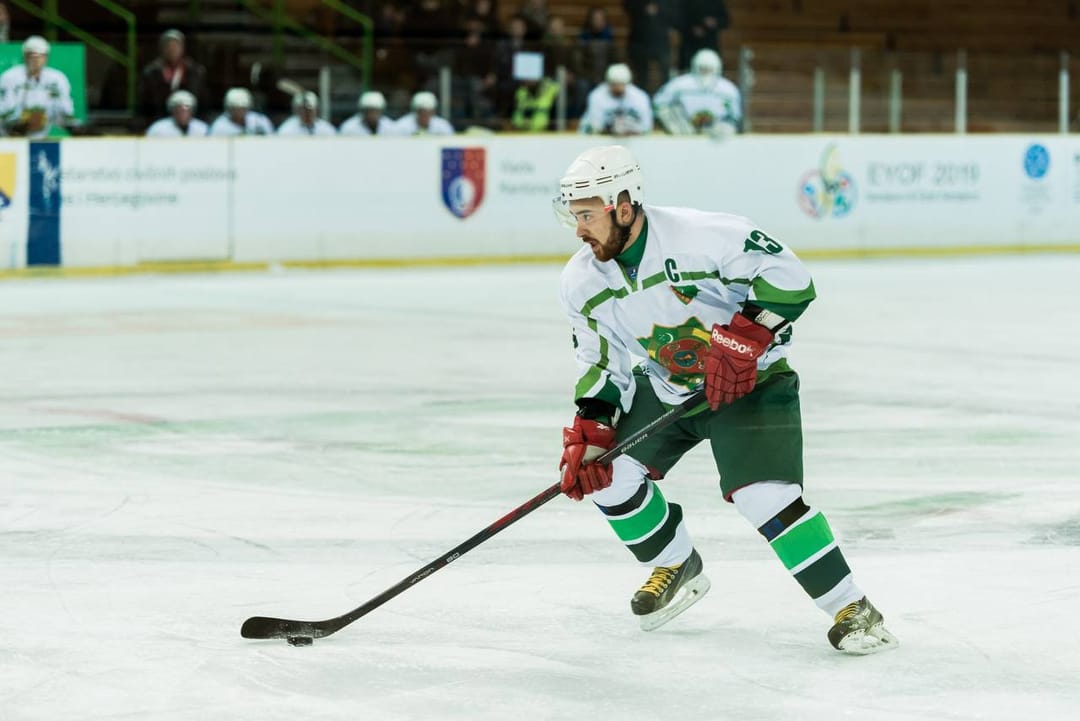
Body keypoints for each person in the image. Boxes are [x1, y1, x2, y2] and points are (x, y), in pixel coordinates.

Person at [552, 144, 898, 654]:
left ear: (623, 206)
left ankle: (853, 607)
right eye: (573, 216)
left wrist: (744, 338)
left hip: (751, 383)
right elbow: (603, 361)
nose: (579, 230)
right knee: (608, 476)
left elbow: (791, 280)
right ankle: (674, 564)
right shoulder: (582, 281)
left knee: (765, 498)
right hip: (668, 388)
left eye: (587, 216)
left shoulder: (703, 237)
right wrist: (594, 425)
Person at [653, 48, 742, 137]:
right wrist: (675, 120)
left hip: (717, 134)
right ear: (695, 67)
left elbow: (735, 115)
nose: (705, 73)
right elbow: (659, 103)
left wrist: (725, 124)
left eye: (709, 69)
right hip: (683, 130)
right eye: (702, 69)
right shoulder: (679, 85)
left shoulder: (728, 89)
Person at [0, 35, 74, 138]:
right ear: (25, 56)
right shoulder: (10, 77)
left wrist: (45, 117)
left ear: (46, 57)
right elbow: (4, 108)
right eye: (32, 56)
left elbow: (66, 110)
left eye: (40, 56)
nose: (36, 61)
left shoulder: (57, 79)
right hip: (11, 136)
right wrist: (23, 118)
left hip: (43, 134)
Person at [136, 29, 208, 132]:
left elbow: (203, 100)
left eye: (175, 45)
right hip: (158, 121)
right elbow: (143, 103)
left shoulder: (195, 71)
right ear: (162, 48)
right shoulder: (151, 72)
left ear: (182, 48)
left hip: (189, 124)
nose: (172, 49)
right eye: (168, 46)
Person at [578, 63, 652, 136]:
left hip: (633, 139)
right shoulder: (597, 96)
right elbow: (596, 126)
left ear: (627, 83)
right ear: (608, 82)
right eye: (614, 84)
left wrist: (631, 128)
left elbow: (646, 126)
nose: (618, 87)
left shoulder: (640, 97)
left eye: (621, 84)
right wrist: (613, 128)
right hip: (601, 139)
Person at [679, 1, 730, 70]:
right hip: (689, 43)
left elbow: (726, 21)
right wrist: (692, 29)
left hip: (710, 43)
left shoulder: (716, 2)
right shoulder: (687, 2)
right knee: (687, 71)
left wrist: (715, 22)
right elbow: (679, 19)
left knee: (712, 67)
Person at [209, 87, 275, 136]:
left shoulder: (260, 120)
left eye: (243, 107)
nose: (240, 111)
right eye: (236, 108)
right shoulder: (219, 127)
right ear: (229, 108)